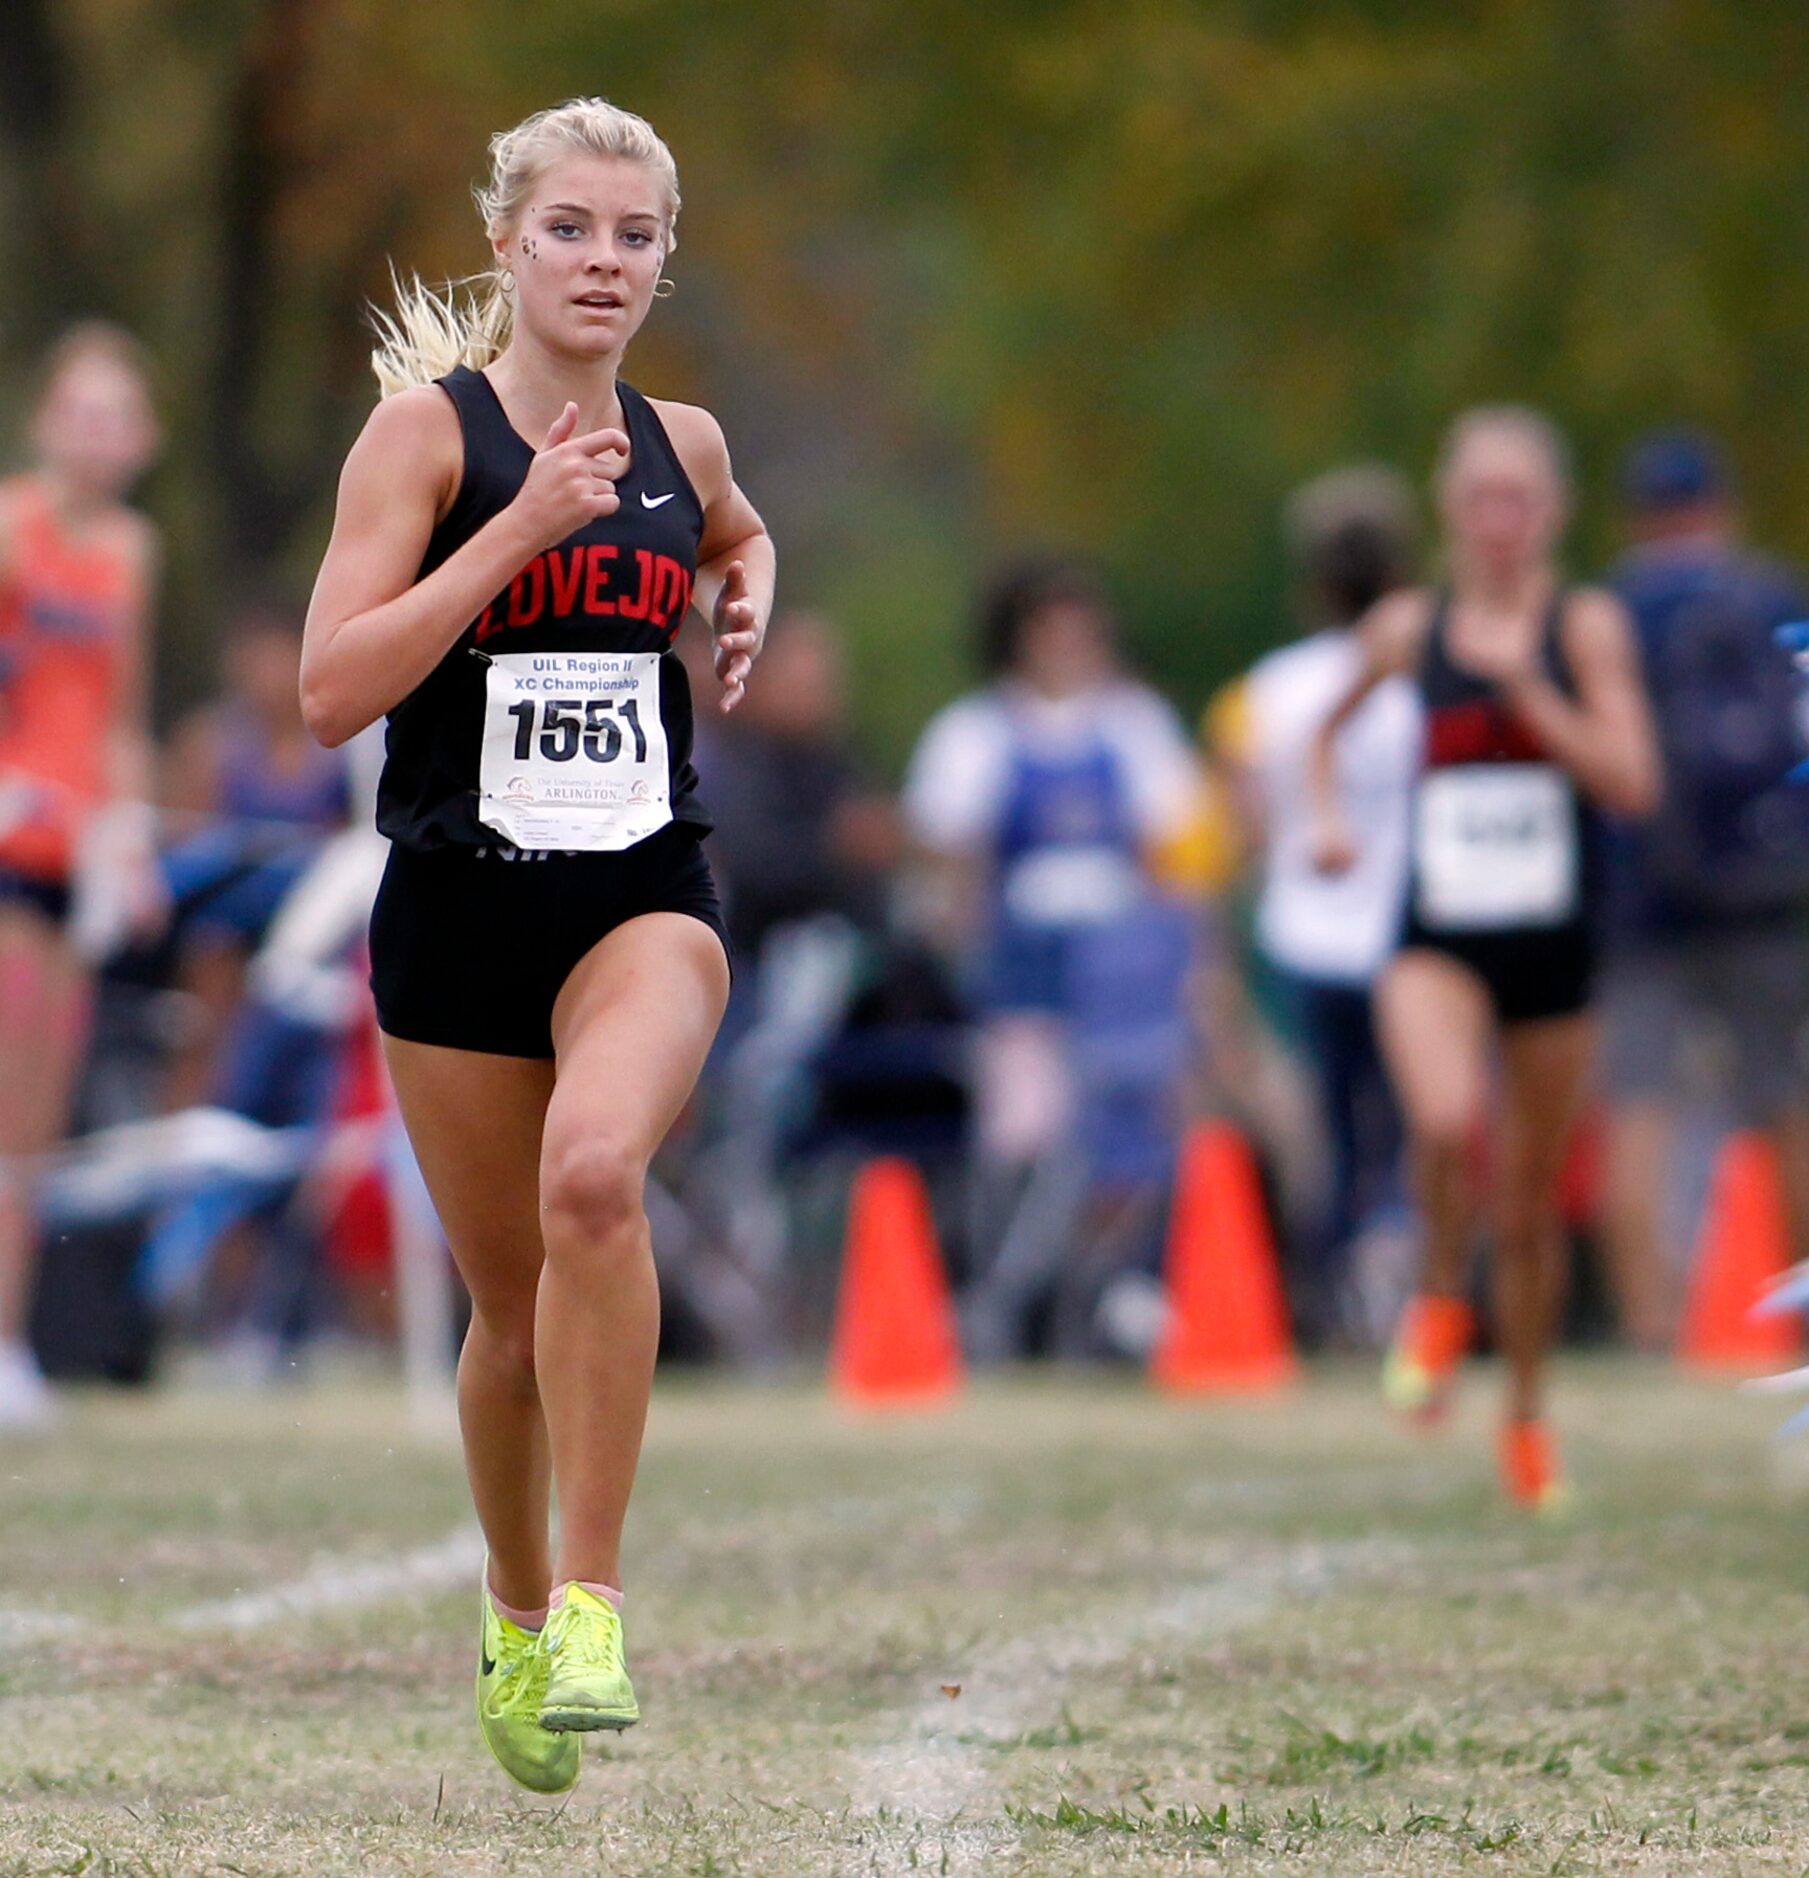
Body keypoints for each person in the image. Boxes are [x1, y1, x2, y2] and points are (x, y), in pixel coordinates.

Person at [302, 98, 771, 1792]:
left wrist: (753, 573)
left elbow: (726, 526)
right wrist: (513, 533)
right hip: (454, 916)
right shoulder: (424, 445)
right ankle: (508, 1612)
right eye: (569, 228)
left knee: (597, 1182)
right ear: (505, 243)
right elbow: (327, 691)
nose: (603, 261)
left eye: (634, 236)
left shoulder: (687, 442)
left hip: (639, 897)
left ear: (662, 261)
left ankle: (590, 1600)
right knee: (507, 1320)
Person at [1309, 407, 1657, 1510]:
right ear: (1451, 511)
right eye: (1481, 498)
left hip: (1554, 948)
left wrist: (1528, 695)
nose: (1501, 521)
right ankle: (1437, 1297)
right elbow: (1318, 734)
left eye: (1522, 499)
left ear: (1552, 513)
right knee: (1448, 1121)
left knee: (1529, 1205)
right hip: (1440, 939)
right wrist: (1327, 822)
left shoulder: (1586, 626)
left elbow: (1631, 780)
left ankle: (1524, 1417)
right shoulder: (1412, 627)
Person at [902, 559, 1202, 1355]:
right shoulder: (975, 736)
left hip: (1121, 988)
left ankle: (1113, 1293)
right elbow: (948, 867)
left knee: (1127, 1148)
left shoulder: (1136, 728)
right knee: (1024, 1148)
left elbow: (1172, 860)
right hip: (1021, 985)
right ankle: (1008, 1302)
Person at [1597, 433, 1809, 1347]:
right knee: (1787, 1103)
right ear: (1720, 506)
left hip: (1643, 903)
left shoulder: (1608, 610)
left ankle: (1650, 1329)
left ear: (1635, 515)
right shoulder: (1771, 596)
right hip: (1766, 895)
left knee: (1636, 1108)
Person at [0, 322, 163, 1431]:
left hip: (74, 866)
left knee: (35, 1122)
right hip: (10, 853)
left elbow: (121, 716)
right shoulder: (12, 533)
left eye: (120, 417)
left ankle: (11, 1343)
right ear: (46, 422)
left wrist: (131, 839)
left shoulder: (131, 555)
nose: (98, 437)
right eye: (83, 412)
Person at [1216, 466, 1420, 1342]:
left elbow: (1243, 826)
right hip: (1410, 933)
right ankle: (1406, 1275)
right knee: (1408, 1126)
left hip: (1301, 936)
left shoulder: (1267, 689)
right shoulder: (1422, 679)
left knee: (1327, 1133)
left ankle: (1333, 1286)